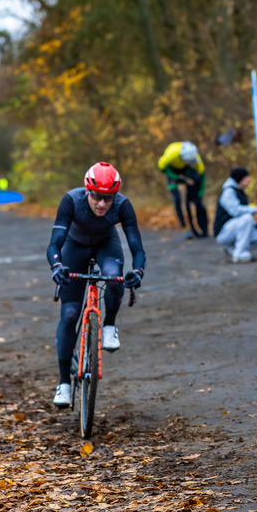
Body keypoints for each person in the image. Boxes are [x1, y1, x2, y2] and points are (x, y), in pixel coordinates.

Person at [46, 162, 146, 406]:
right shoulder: (71, 200)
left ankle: (109, 325)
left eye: (108, 198)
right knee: (70, 314)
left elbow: (137, 248)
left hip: (105, 244)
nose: (102, 204)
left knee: (114, 274)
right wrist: (57, 267)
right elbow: (55, 243)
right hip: (74, 246)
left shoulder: (123, 205)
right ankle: (64, 383)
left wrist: (138, 271)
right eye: (97, 197)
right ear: (87, 191)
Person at [214, 167, 257, 263]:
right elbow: (236, 211)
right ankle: (239, 254)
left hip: (233, 228)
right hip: (223, 232)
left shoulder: (239, 191)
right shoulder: (228, 192)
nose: (249, 179)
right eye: (246, 177)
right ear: (240, 179)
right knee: (247, 218)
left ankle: (231, 250)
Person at [157, 141, 208, 239]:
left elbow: (202, 175)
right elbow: (161, 167)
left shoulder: (196, 158)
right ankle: (184, 227)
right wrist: (175, 177)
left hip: (186, 170)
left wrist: (200, 193)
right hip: (172, 170)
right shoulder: (172, 154)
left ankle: (198, 227)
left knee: (192, 199)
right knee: (177, 199)